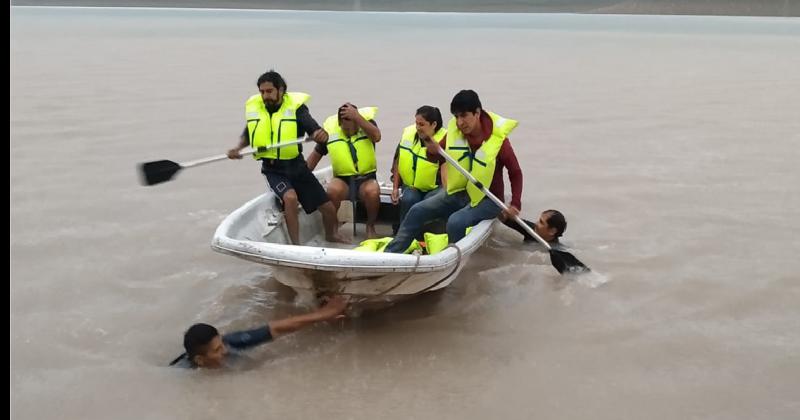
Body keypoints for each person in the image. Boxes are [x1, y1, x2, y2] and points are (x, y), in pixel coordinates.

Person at [385, 90, 523, 253]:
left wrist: (515, 204)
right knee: (417, 210)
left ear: (477, 113)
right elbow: (434, 157)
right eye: (456, 116)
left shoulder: (498, 141)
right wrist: (432, 149)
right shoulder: (455, 134)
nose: (460, 122)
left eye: (464, 116)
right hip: (459, 193)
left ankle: (450, 260)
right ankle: (391, 253)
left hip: (488, 200)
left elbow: (515, 172)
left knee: (455, 221)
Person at [227, 70, 346, 245]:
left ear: (281, 90)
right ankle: (296, 246)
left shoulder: (297, 108)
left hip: (297, 167)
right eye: (262, 92)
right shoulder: (257, 109)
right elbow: (248, 134)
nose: (265, 96)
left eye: (269, 91)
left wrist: (319, 134)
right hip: (273, 169)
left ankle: (331, 235)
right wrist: (237, 148)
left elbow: (312, 127)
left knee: (328, 209)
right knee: (290, 198)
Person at [169, 296, 347, 369]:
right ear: (200, 361)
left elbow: (276, 328)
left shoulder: (230, 343)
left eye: (221, 344)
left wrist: (323, 315)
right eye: (217, 350)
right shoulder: (184, 373)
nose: (224, 350)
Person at [306, 103, 382, 239]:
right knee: (332, 190)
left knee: (373, 191)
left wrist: (357, 117)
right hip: (343, 180)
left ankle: (370, 227)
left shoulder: (367, 125)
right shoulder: (331, 132)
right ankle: (332, 231)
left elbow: (377, 136)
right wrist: (300, 179)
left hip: (366, 179)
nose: (348, 131)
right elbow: (314, 157)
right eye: (344, 128)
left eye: (351, 128)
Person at [390, 106, 447, 231]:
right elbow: (398, 160)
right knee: (409, 198)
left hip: (435, 189)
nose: (417, 127)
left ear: (433, 124)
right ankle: (403, 232)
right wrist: (395, 188)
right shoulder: (408, 134)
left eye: (421, 124)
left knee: (426, 203)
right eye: (416, 123)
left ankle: (428, 236)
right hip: (411, 187)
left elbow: (447, 176)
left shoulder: (444, 141)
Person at [502, 209, 567, 246]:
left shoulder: (556, 248)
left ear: (552, 231)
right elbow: (504, 219)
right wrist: (506, 213)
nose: (536, 223)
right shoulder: (530, 229)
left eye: (541, 222)